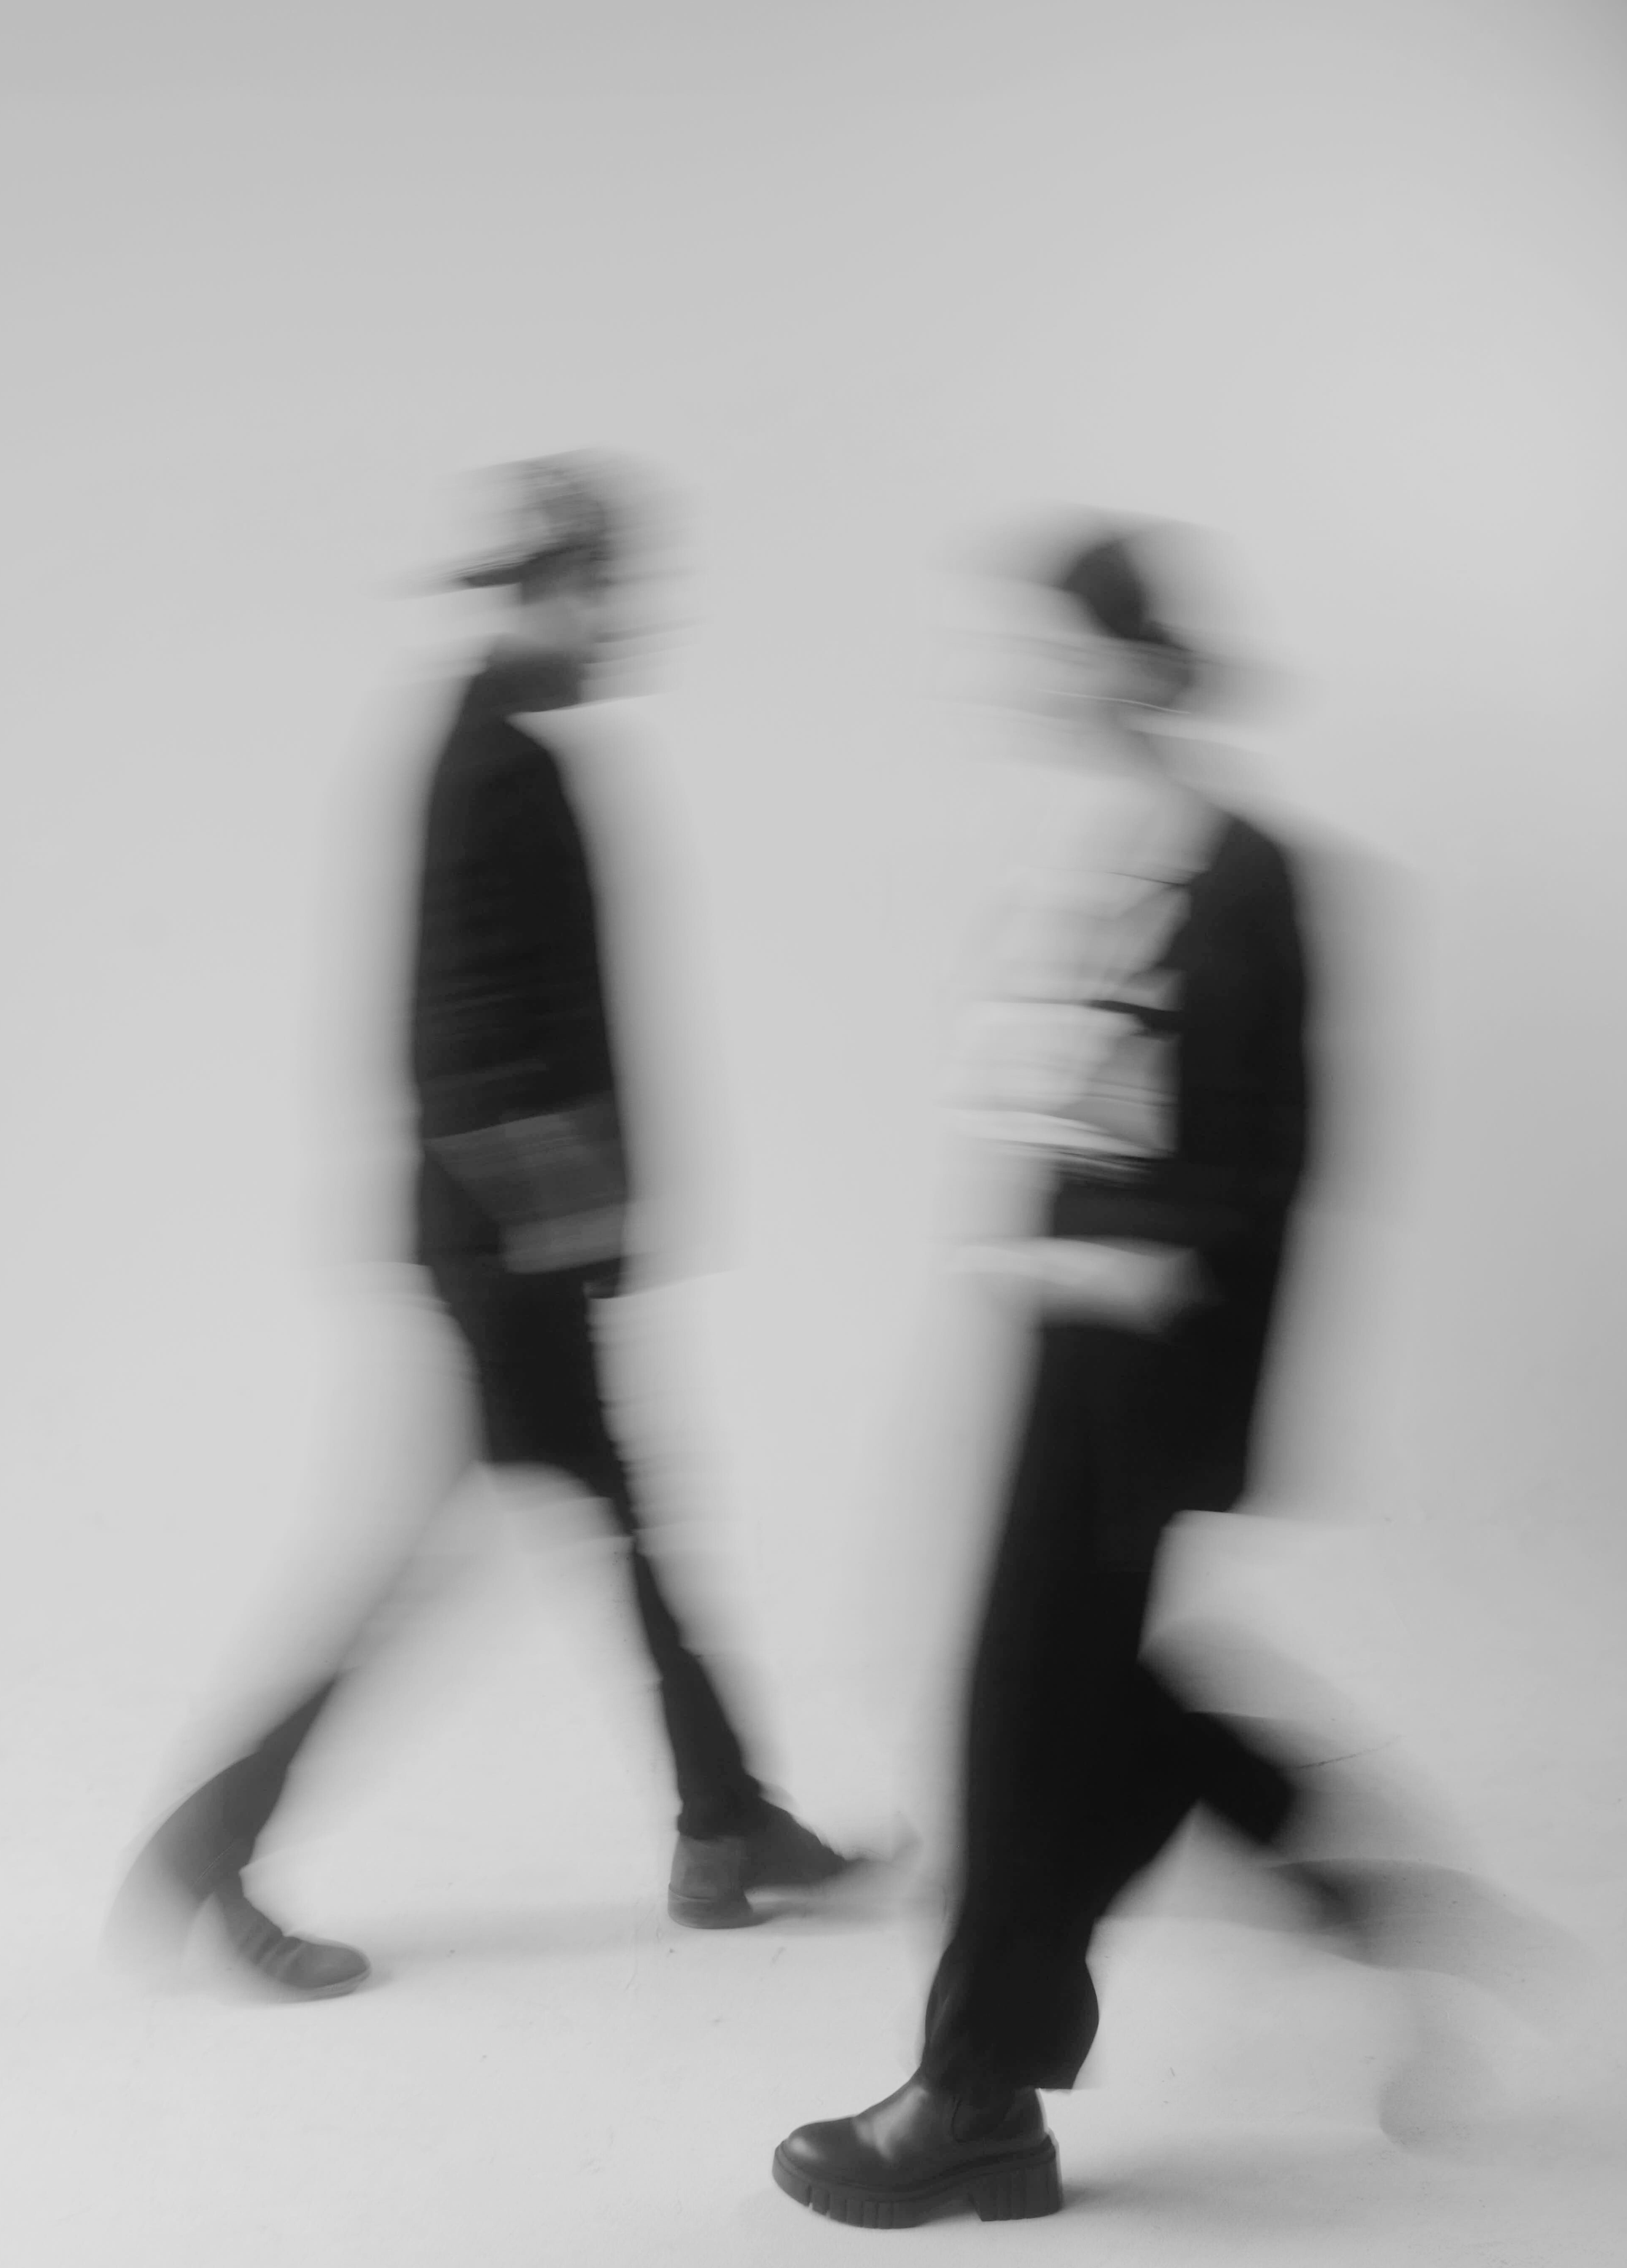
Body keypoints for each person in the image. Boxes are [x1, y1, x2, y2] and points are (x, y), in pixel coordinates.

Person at [772, 523, 1543, 2228]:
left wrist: (1145, 1277)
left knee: (1019, 1723)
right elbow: (1055, 1105)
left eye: (1062, 647)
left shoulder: (1243, 870)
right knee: (1100, 1718)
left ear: (1134, 665)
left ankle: (975, 2097)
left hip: (1146, 1368)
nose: (1034, 678)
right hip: (1060, 1347)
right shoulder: (1088, 849)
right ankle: (1364, 1912)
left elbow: (1267, 1155)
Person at [112, 455, 851, 2000]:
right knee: (496, 1552)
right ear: (553, 586)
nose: (628, 619)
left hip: (510, 1239)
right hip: (510, 1245)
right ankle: (220, 1842)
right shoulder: (499, 760)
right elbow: (462, 1034)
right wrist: (562, 1215)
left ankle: (724, 1823)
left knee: (611, 1524)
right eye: (610, 588)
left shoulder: (491, 742)